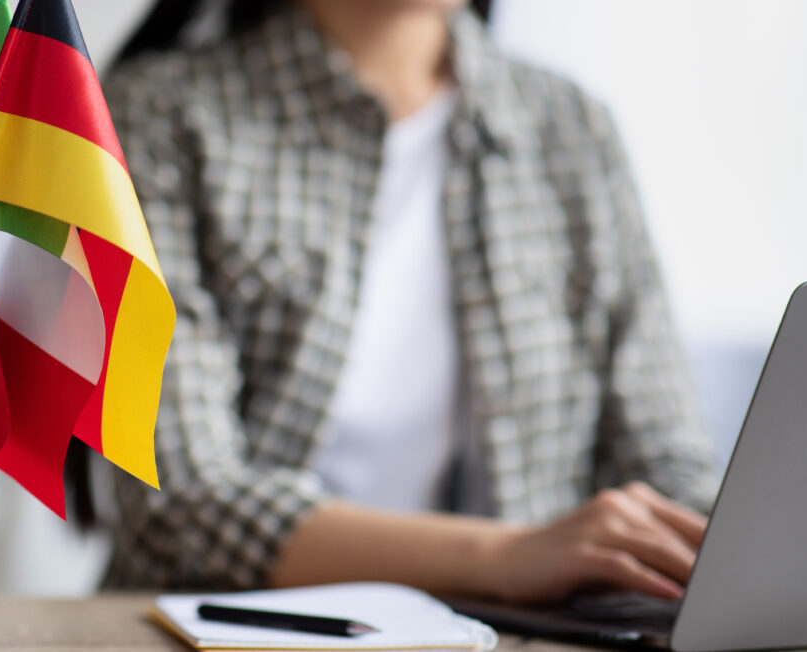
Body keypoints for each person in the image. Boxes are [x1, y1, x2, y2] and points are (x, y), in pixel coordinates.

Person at [98, 0, 721, 603]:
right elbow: (178, 496)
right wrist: (511, 557)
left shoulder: (571, 127)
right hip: (227, 626)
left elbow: (665, 460)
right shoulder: (161, 116)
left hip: (526, 634)